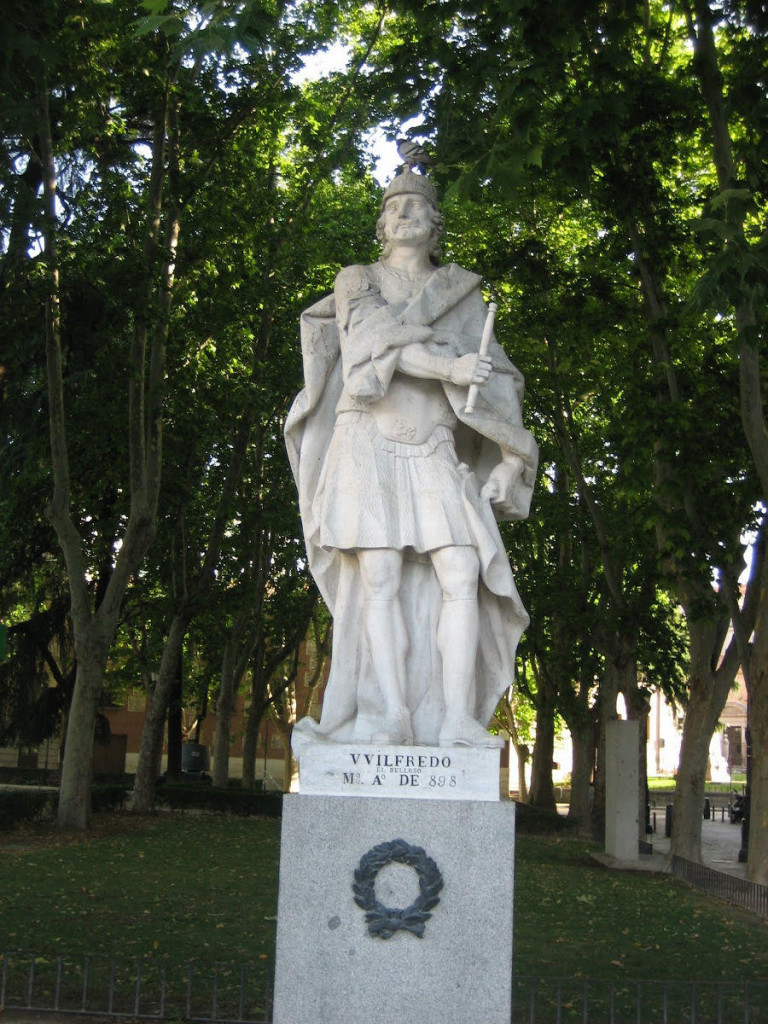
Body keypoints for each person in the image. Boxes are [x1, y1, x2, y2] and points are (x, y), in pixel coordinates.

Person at [285, 168, 537, 748]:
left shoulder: (463, 295)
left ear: (435, 223)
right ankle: (392, 714)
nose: (404, 213)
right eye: (394, 205)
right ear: (381, 223)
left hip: (434, 444)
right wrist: (447, 364)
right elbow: (367, 344)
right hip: (366, 440)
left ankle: (457, 721)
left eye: (414, 205)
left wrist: (506, 460)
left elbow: (500, 380)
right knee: (378, 577)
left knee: (462, 571)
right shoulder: (356, 279)